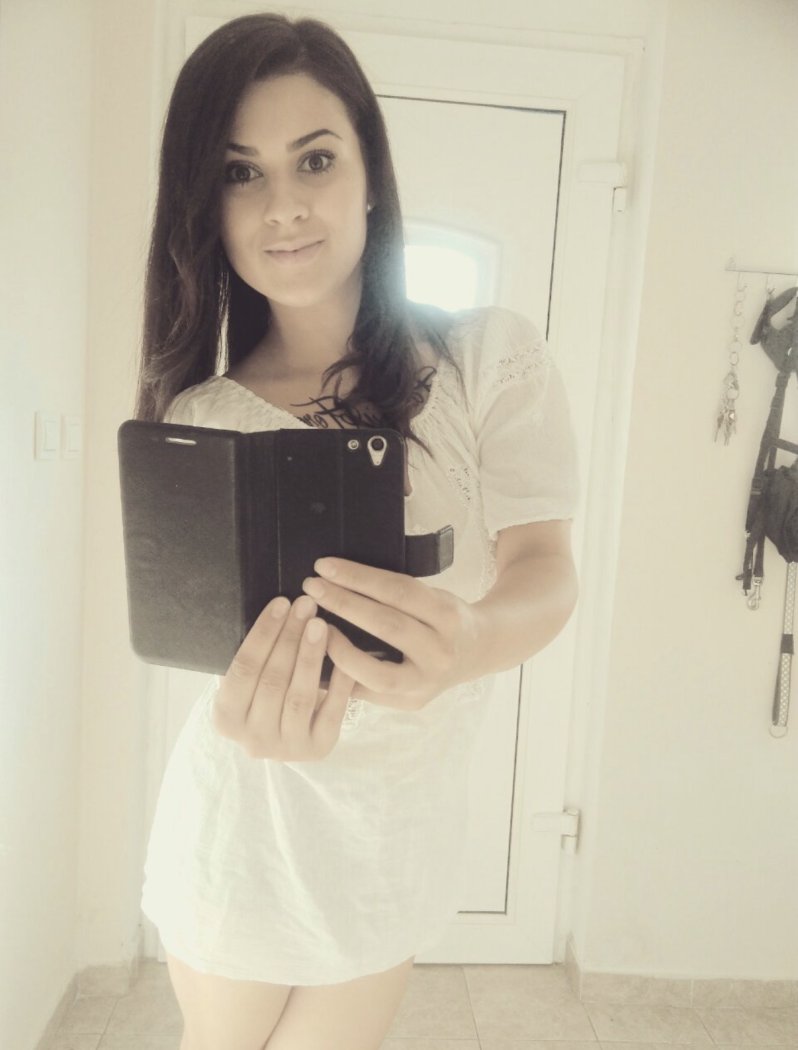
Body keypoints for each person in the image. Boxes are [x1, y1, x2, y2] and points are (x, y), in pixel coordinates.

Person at [135, 12, 580, 1050]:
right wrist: (250, 703)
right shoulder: (201, 418)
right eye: (240, 173)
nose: (284, 206)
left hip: (396, 829)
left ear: (371, 174)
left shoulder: (486, 360)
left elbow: (547, 569)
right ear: (206, 205)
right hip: (242, 823)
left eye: (315, 159)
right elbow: (212, 647)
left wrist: (471, 640)